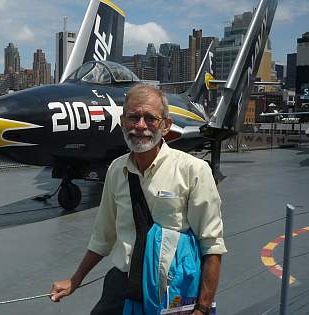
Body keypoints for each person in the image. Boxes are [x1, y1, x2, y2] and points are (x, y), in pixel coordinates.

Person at [50, 84, 226, 315]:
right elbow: (104, 236)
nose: (140, 126)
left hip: (168, 287)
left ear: (166, 126)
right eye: (133, 117)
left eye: (150, 118)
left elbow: (211, 244)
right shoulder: (116, 170)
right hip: (122, 283)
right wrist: (75, 280)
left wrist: (202, 309)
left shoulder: (193, 171)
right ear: (122, 122)